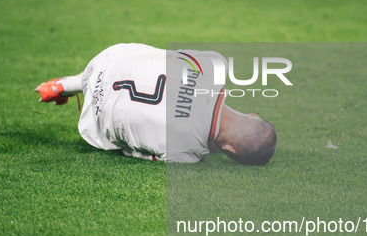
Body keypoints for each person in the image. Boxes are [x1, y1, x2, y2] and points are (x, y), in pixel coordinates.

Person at [35, 43, 277, 165]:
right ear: (230, 152)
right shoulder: (188, 154)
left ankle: (64, 85)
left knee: (154, 62)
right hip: (98, 119)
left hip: (109, 60)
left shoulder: (215, 65)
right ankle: (69, 86)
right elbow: (133, 152)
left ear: (253, 115)